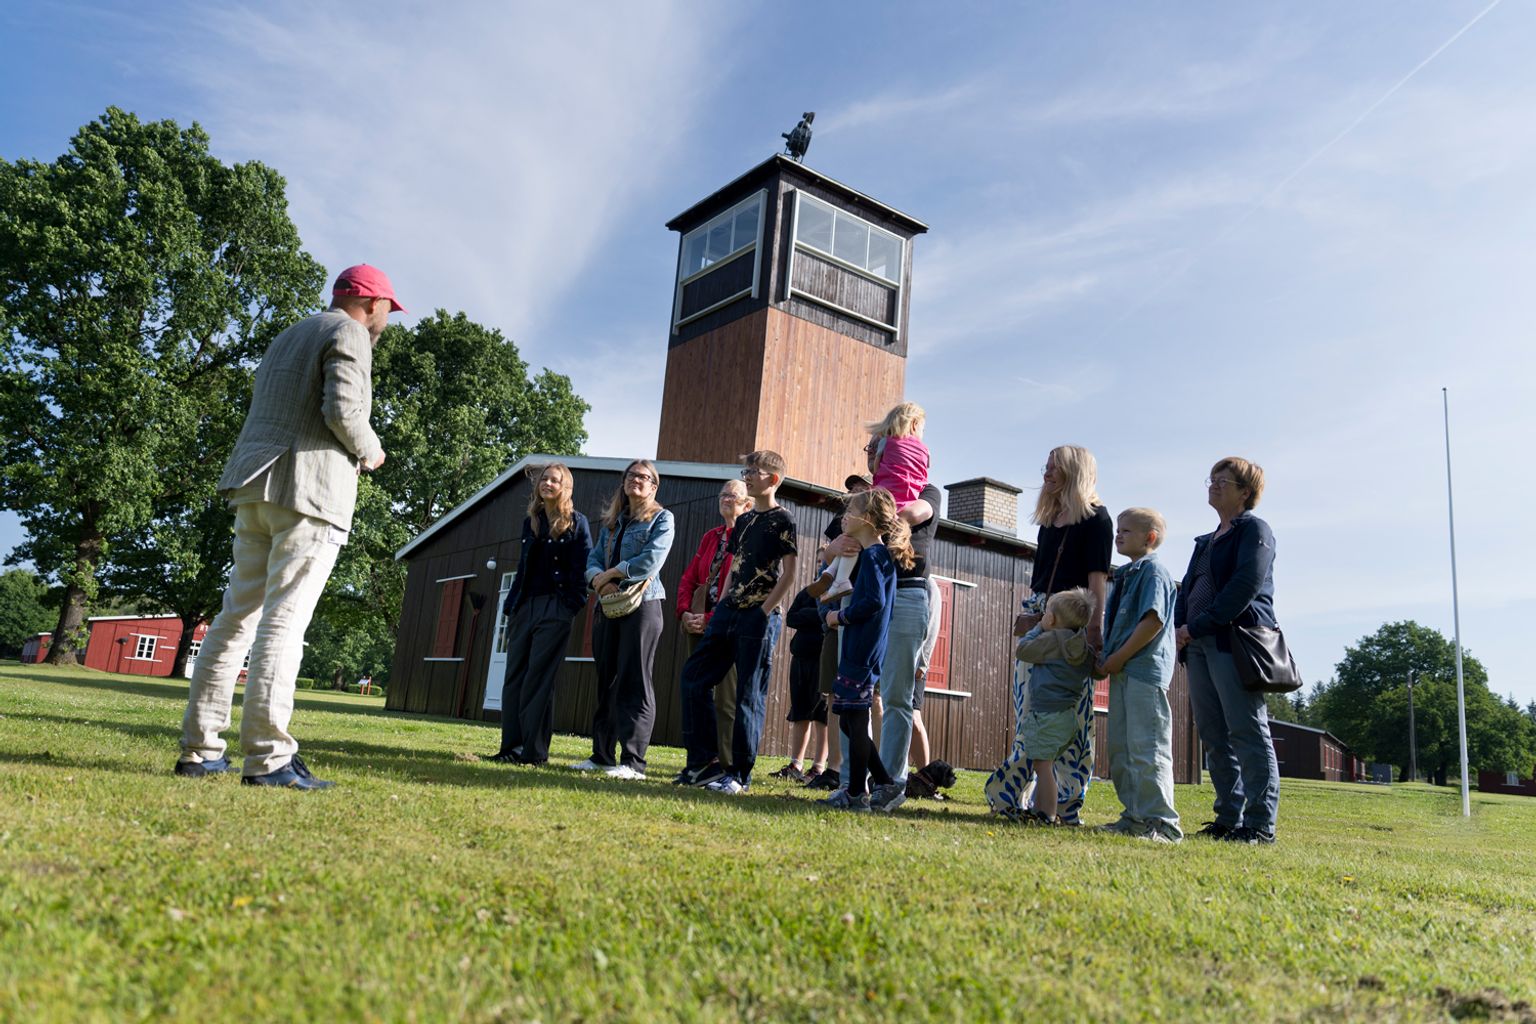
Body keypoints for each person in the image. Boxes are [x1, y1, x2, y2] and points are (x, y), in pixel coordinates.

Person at [176, 264, 403, 789]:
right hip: (307, 491)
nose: (387, 321)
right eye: (388, 309)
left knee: (235, 619)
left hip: (255, 486)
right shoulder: (348, 332)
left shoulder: (291, 333)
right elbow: (343, 409)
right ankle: (269, 757)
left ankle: (201, 749)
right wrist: (372, 452)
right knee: (284, 623)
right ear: (371, 303)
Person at [984, 445, 1112, 824]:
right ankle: (1014, 797)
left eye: (1055, 467)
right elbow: (1042, 578)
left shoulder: (1097, 520)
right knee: (1030, 711)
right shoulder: (1048, 520)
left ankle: (1066, 804)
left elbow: (1096, 583)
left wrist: (1093, 630)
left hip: (1071, 625)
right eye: (1046, 466)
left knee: (1071, 717)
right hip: (1042, 619)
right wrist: (1032, 616)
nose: (1046, 473)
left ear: (1074, 471)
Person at [677, 450, 798, 794]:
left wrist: (762, 612)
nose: (747, 475)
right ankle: (704, 764)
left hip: (759, 617)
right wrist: (726, 600)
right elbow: (734, 564)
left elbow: (789, 575)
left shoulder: (783, 519)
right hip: (728, 612)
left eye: (755, 471)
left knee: (748, 695)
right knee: (693, 678)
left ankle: (740, 776)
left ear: (772, 479)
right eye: (746, 470)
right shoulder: (743, 522)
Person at [1175, 458, 1281, 845]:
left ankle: (1258, 825)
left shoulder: (1255, 530)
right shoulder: (1205, 541)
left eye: (1224, 480)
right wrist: (1182, 629)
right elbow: (1188, 589)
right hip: (1198, 644)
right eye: (1212, 478)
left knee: (1247, 731)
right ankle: (1228, 818)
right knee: (1214, 734)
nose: (1214, 484)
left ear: (1245, 492)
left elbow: (1243, 587)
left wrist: (1195, 626)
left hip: (1234, 644)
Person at [488, 463, 593, 766]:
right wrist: (511, 605)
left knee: (539, 679)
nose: (547, 483)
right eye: (544, 479)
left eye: (554, 480)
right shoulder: (531, 521)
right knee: (514, 678)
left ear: (565, 486)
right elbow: (523, 567)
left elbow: (581, 566)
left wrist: (571, 604)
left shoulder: (576, 522)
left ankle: (533, 753)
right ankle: (511, 746)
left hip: (555, 607)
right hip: (525, 606)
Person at [578, 459, 675, 780]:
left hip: (643, 606)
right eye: (632, 475)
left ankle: (633, 763)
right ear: (624, 482)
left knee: (636, 680)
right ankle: (601, 756)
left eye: (644, 477)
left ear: (654, 486)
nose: (637, 480)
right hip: (608, 605)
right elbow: (591, 560)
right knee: (606, 680)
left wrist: (612, 573)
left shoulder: (662, 519)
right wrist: (599, 580)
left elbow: (650, 560)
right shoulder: (611, 522)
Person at [820, 487, 914, 813]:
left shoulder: (874, 556)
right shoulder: (873, 554)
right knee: (849, 721)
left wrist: (839, 616)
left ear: (868, 519)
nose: (844, 516)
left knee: (856, 723)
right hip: (861, 647)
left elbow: (873, 602)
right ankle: (885, 784)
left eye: (851, 510)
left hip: (863, 649)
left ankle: (858, 794)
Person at [1097, 508, 1182, 842]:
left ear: (1149, 537)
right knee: (1123, 749)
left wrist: (1118, 657)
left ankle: (1163, 824)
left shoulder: (1154, 573)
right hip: (1122, 670)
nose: (1118, 535)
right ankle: (1134, 818)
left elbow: (1153, 621)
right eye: (1118, 530)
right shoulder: (1126, 574)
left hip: (1143, 672)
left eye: (1126, 531)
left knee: (1148, 748)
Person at [675, 479, 753, 775]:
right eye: (723, 494)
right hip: (697, 623)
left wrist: (710, 619)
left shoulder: (747, 536)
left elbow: (742, 586)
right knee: (696, 689)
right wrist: (684, 613)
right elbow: (690, 578)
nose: (726, 499)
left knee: (727, 699)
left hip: (728, 625)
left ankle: (728, 765)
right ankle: (702, 762)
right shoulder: (712, 536)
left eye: (733, 495)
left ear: (747, 504)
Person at [801, 473, 870, 791]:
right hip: (833, 622)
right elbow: (821, 576)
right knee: (832, 696)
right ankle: (833, 768)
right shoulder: (840, 528)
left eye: (861, 488)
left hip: (860, 623)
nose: (854, 492)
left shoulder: (873, 540)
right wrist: (827, 614)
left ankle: (866, 770)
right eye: (851, 489)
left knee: (870, 699)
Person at [824, 403, 928, 601]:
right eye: (868, 448)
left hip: (871, 587)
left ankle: (837, 577)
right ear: (914, 425)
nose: (871, 451)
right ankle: (834, 575)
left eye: (873, 446)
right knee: (852, 539)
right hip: (907, 498)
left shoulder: (868, 498)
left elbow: (879, 466)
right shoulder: (923, 451)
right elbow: (923, 475)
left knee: (855, 535)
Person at [1010, 588, 1096, 824]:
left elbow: (1023, 650)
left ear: (1053, 619)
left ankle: (1046, 814)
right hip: (1068, 717)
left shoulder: (1050, 640)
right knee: (1049, 765)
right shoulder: (1081, 646)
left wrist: (1038, 628)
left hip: (1046, 714)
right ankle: (1045, 809)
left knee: (1042, 765)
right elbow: (1095, 670)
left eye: (1047, 612)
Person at [776, 585, 829, 782]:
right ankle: (796, 764)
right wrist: (817, 615)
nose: (820, 566)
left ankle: (818, 767)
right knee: (800, 711)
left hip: (822, 660)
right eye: (817, 562)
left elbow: (830, 617)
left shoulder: (839, 590)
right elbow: (791, 617)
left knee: (822, 715)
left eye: (823, 562)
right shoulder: (808, 592)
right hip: (800, 658)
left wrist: (807, 615)